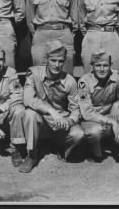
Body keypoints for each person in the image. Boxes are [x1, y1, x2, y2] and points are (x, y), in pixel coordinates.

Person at [19, 40, 84, 173]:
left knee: (78, 134)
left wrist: (69, 121)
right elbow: (28, 99)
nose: (57, 65)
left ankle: (60, 147)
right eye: (53, 60)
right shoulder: (34, 74)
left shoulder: (70, 81)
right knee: (30, 114)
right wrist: (51, 111)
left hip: (61, 123)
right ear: (46, 59)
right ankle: (31, 155)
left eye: (60, 61)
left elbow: (75, 109)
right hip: (42, 122)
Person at [77, 49, 119, 169]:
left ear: (110, 66)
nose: (102, 69)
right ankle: (95, 153)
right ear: (92, 66)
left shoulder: (117, 77)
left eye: (105, 65)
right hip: (93, 119)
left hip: (111, 115)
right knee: (93, 132)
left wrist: (118, 104)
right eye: (98, 65)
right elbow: (86, 113)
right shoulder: (84, 82)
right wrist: (112, 122)